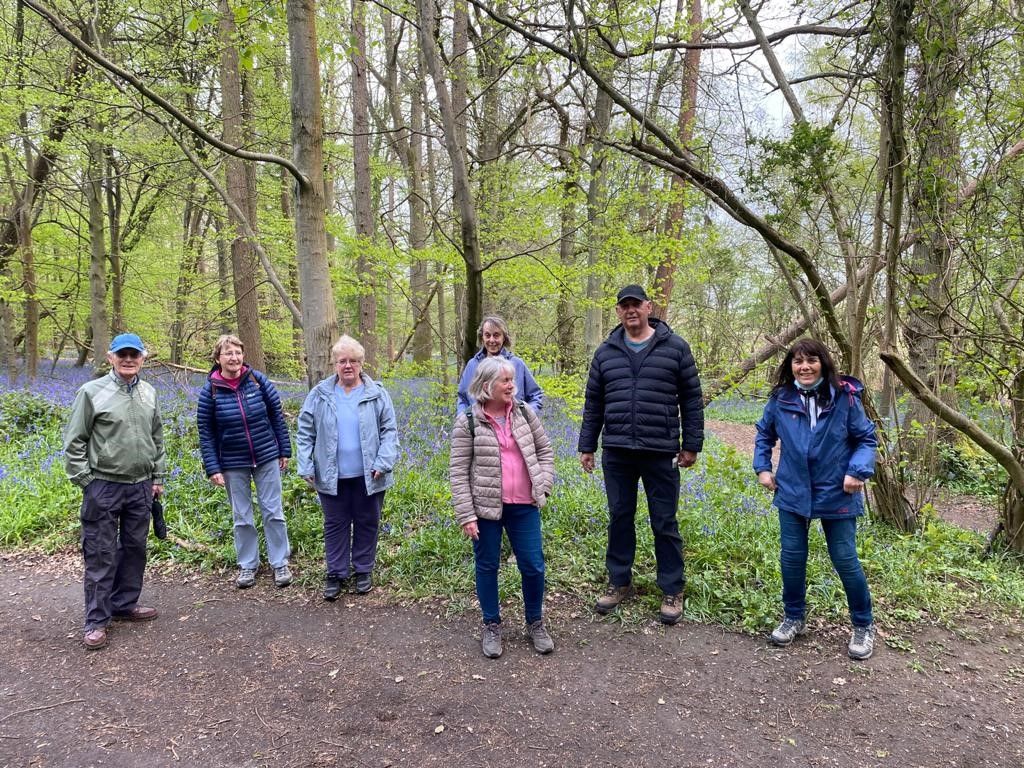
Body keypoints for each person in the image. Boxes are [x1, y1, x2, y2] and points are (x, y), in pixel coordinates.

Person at [578, 284, 704, 625]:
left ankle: (672, 589)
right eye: (625, 306)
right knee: (619, 516)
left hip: (660, 449)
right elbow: (594, 403)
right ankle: (619, 582)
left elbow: (691, 399)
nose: (631, 310)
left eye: (636, 304)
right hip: (617, 450)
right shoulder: (606, 352)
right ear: (618, 312)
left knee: (664, 521)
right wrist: (587, 445)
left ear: (649, 307)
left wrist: (692, 444)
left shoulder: (675, 348)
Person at [753, 338, 878, 660]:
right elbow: (764, 434)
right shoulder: (781, 398)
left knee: (845, 558)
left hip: (838, 490)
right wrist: (762, 468)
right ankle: (793, 617)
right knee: (792, 558)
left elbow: (866, 439)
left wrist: (857, 471)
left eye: (811, 360)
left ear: (823, 363)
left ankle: (863, 624)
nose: (804, 367)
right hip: (793, 490)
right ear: (790, 366)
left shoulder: (845, 398)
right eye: (798, 361)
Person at [64, 333, 166, 650]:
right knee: (100, 552)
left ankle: (124, 604)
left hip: (141, 486)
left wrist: (157, 476)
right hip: (104, 485)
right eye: (122, 354)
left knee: (135, 548)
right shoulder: (91, 392)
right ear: (111, 358)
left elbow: (157, 438)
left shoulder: (149, 392)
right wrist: (87, 481)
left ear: (143, 358)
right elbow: (74, 442)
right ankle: (96, 620)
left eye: (134, 354)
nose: (128, 360)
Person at [450, 356, 556, 658]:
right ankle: (491, 624)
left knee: (533, 565)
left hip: (524, 504)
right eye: (505, 381)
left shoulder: (524, 413)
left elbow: (545, 450)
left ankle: (535, 622)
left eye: (512, 380)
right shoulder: (468, 422)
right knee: (487, 566)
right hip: (485, 508)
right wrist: (466, 514)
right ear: (487, 385)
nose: (512, 385)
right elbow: (458, 472)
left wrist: (543, 484)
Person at [296, 335, 398, 600]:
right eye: (342, 361)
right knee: (335, 524)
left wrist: (384, 462)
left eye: (353, 360)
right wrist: (305, 463)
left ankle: (363, 570)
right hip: (331, 474)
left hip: (370, 474)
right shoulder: (320, 394)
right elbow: (305, 431)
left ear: (362, 363)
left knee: (367, 521)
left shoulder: (377, 394)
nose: (348, 365)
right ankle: (336, 573)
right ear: (335, 364)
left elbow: (390, 431)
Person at [196, 334, 293, 589]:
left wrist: (284, 450)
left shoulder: (257, 381)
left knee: (273, 512)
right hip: (232, 461)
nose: (234, 357)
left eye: (238, 352)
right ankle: (248, 565)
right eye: (228, 353)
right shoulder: (210, 391)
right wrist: (212, 467)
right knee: (242, 516)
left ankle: (280, 562)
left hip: (266, 455)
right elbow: (206, 432)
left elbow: (277, 416)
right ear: (218, 358)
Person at [456, 315, 543, 415]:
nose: (492, 340)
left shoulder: (517, 364)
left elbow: (536, 395)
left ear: (504, 337)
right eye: (487, 335)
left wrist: (525, 416)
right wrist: (465, 419)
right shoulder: (472, 365)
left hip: (512, 424)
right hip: (477, 424)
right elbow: (462, 398)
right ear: (482, 337)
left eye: (496, 335)